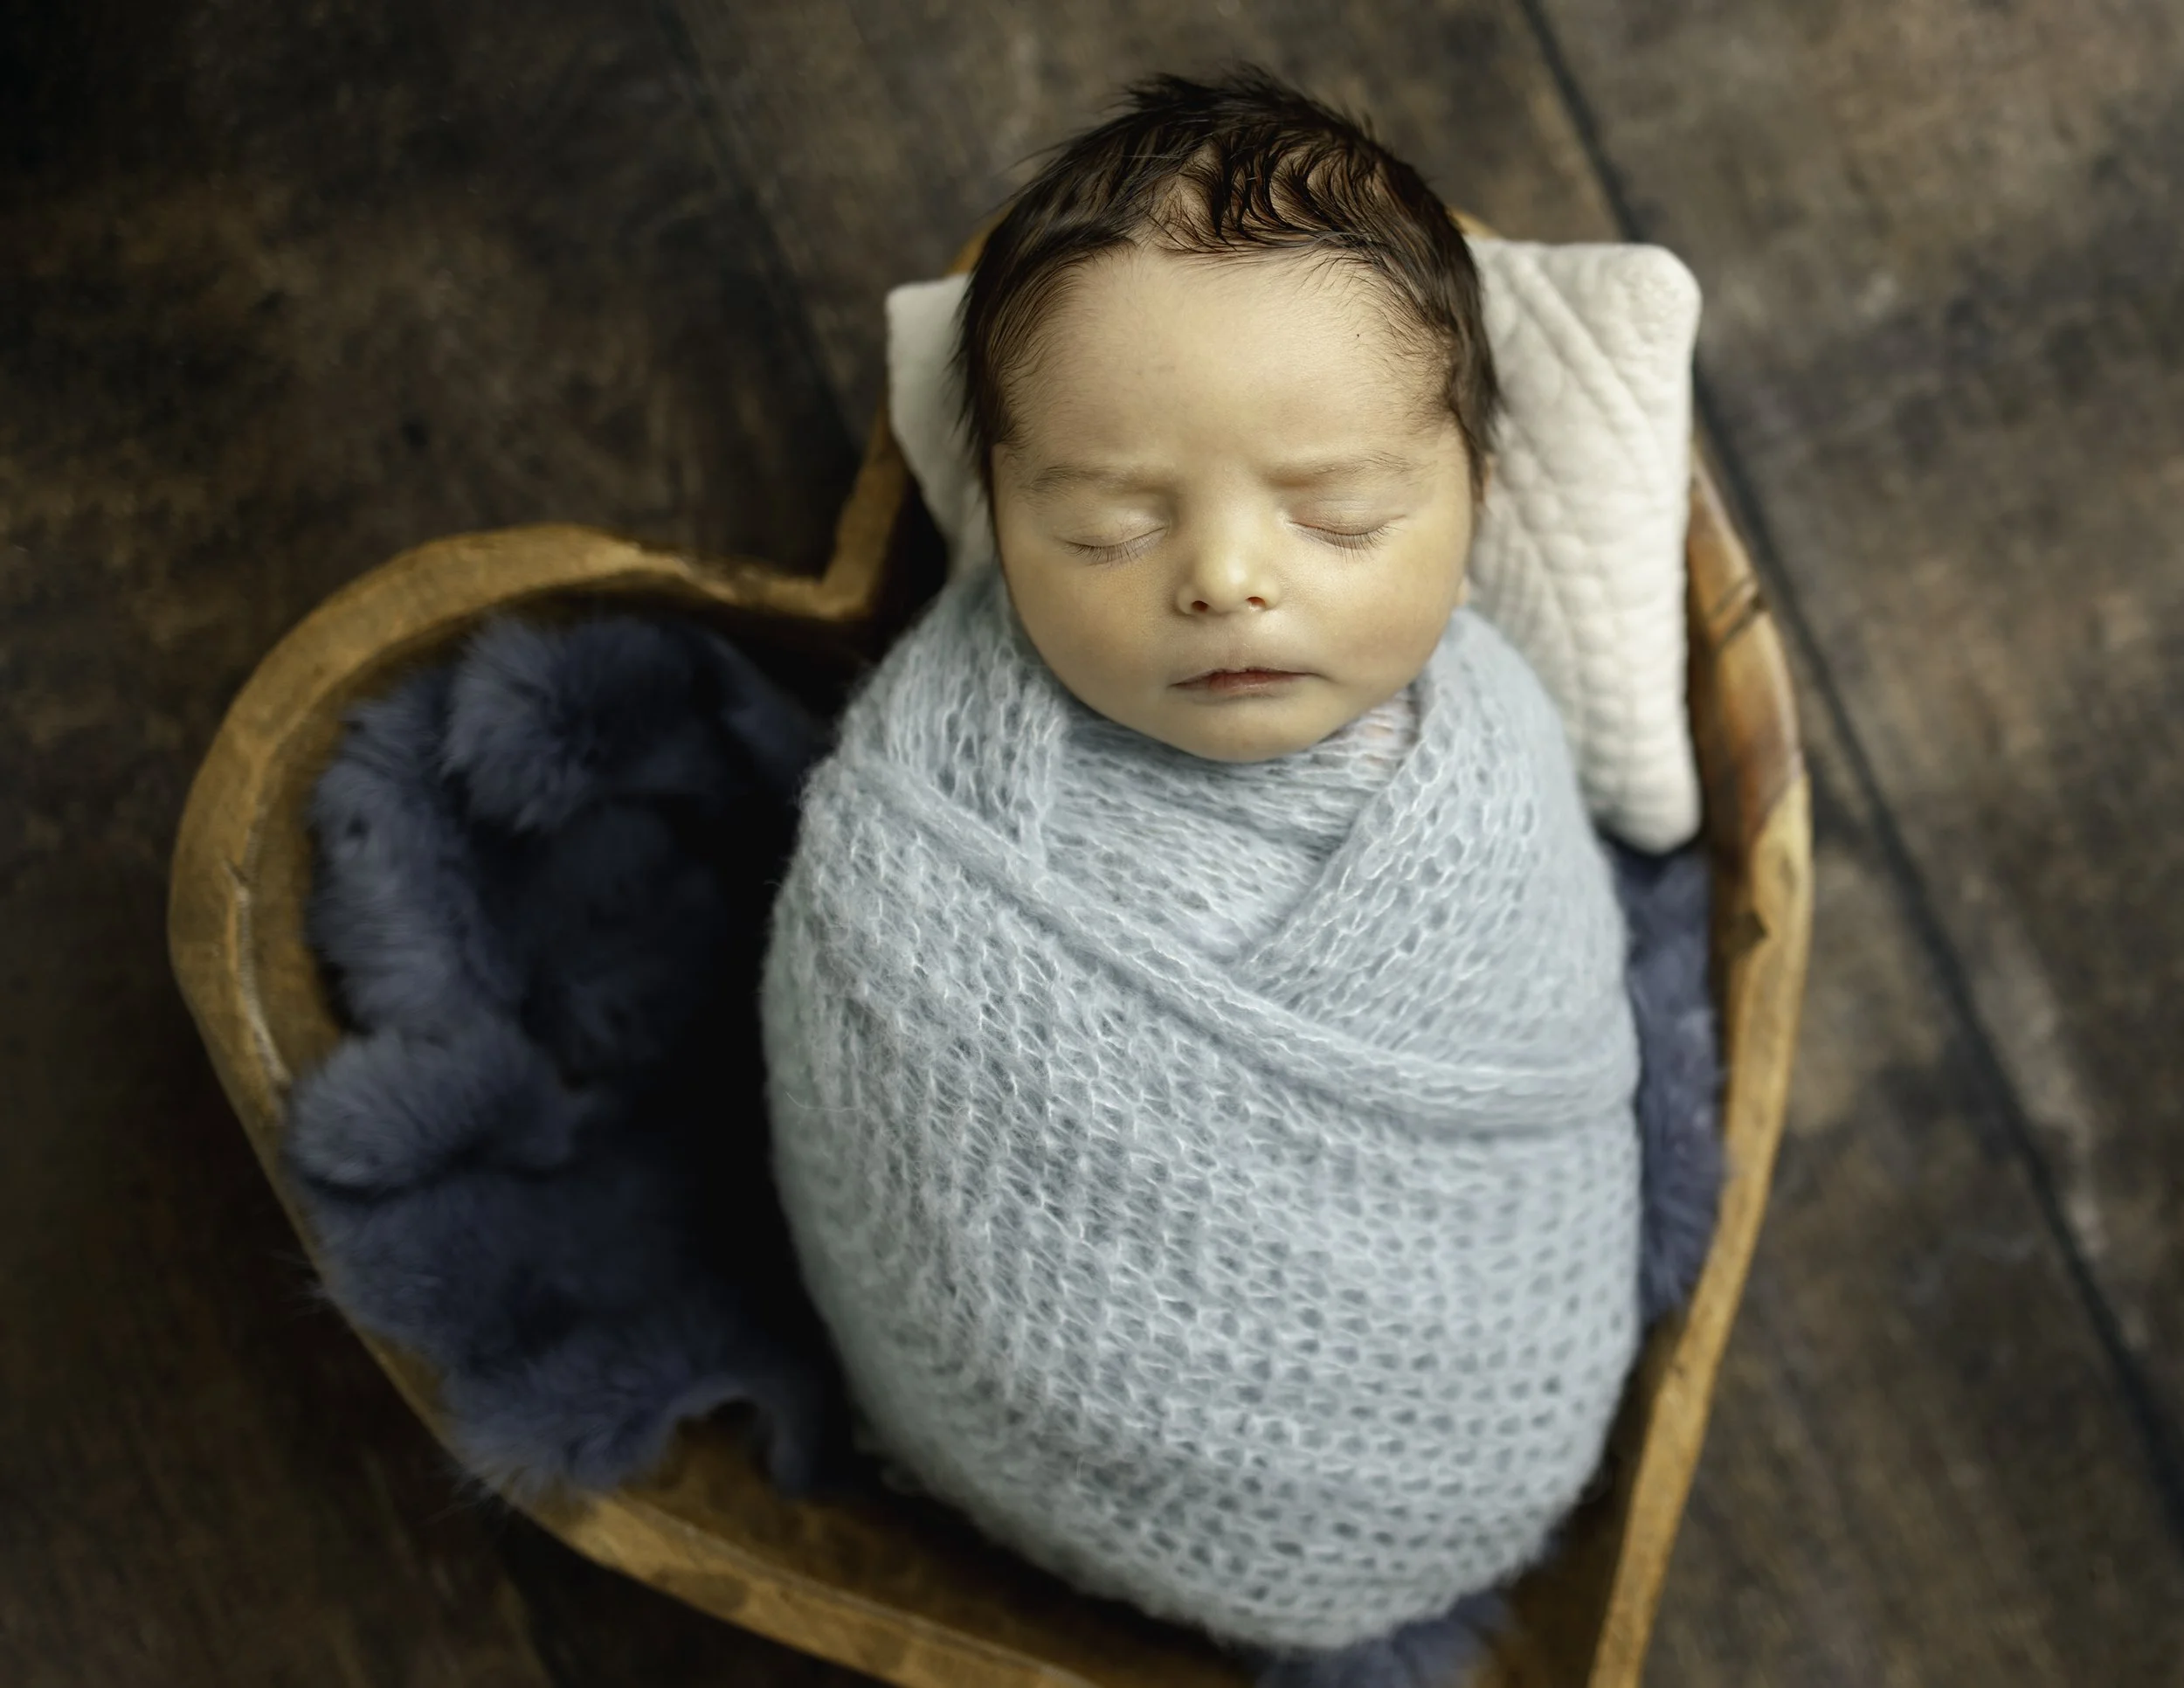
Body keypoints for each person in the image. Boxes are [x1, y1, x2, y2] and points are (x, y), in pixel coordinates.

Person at [761, 69, 1643, 1664]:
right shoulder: (930, 810)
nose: (1227, 578)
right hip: (1023, 1428)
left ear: (1475, 496)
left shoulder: (1494, 758)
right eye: (1107, 527)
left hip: (1462, 1427)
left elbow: (1554, 1080)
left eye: (1341, 512)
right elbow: (889, 1148)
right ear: (1003, 519)